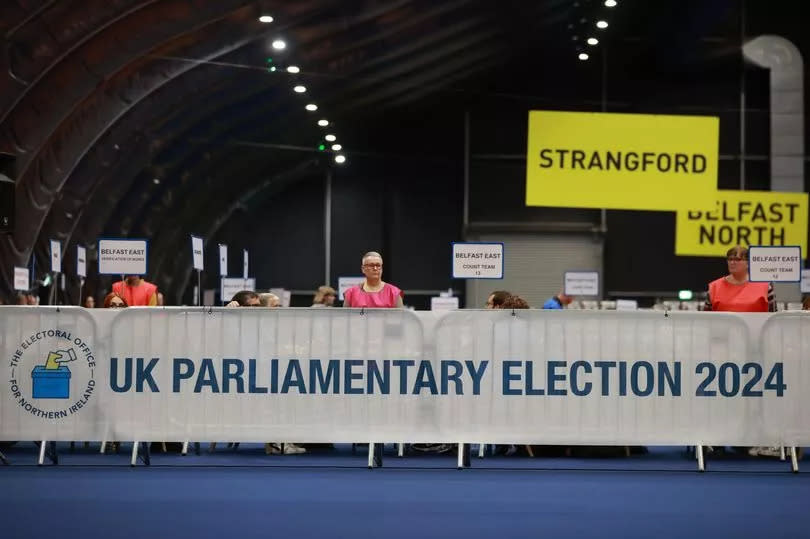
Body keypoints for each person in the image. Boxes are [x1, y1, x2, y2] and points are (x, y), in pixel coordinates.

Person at [705, 245, 775, 458]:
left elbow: (773, 318)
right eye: (730, 258)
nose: (733, 262)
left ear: (748, 263)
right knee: (720, 396)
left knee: (751, 398)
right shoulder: (714, 287)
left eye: (738, 258)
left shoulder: (765, 287)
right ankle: (716, 439)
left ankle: (749, 439)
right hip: (721, 352)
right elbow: (705, 320)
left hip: (754, 352)